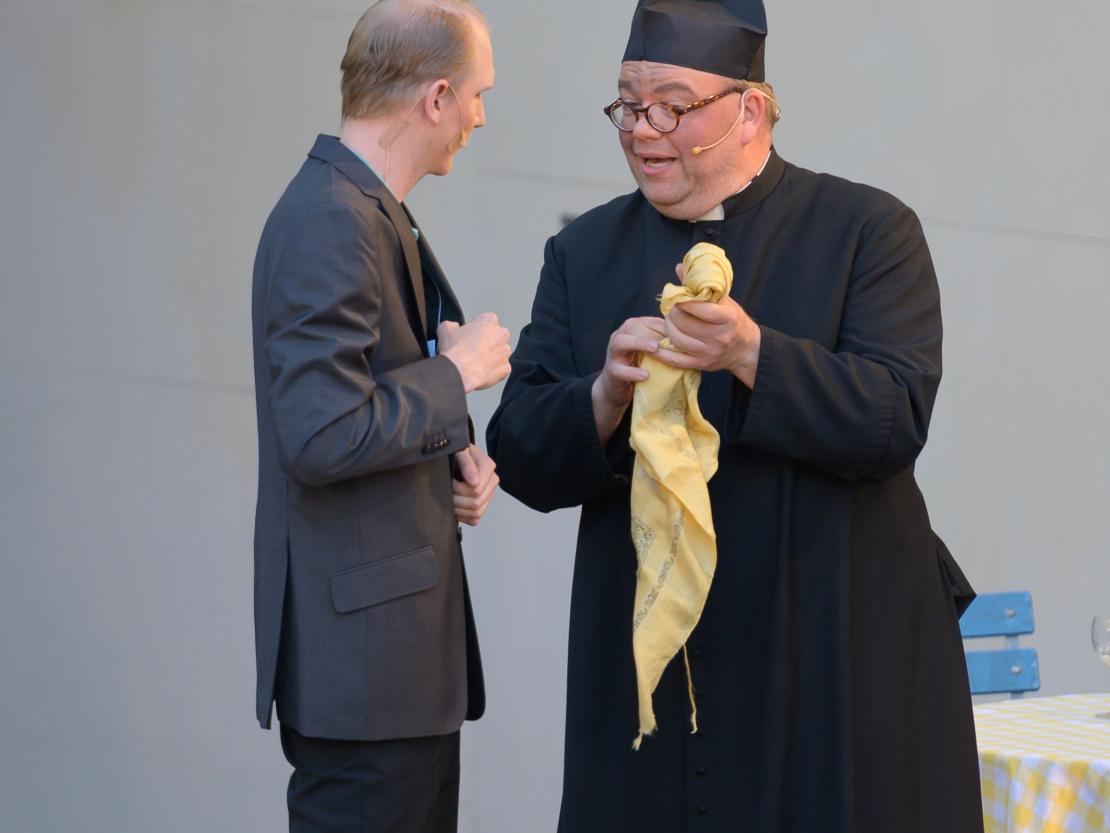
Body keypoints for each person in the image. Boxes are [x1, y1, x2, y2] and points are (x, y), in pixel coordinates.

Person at [486, 1, 982, 831]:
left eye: (673, 107)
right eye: (628, 104)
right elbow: (522, 453)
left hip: (826, 643)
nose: (644, 130)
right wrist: (605, 392)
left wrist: (754, 353)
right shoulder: (584, 253)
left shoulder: (868, 231)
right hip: (654, 669)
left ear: (750, 108)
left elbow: (895, 417)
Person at [250, 2, 508, 830]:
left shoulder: (367, 210)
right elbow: (321, 434)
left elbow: (362, 404)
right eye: (475, 94)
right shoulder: (332, 219)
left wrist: (449, 460)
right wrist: (453, 377)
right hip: (363, 682)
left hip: (393, 675)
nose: (478, 116)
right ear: (434, 98)